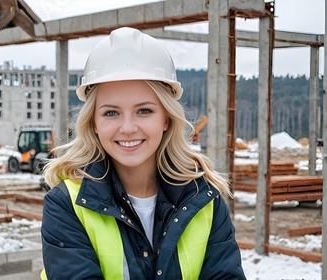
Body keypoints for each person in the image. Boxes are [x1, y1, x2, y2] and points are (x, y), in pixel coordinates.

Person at [40, 27, 246, 280]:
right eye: (111, 113)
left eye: (144, 111)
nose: (127, 128)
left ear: (166, 119)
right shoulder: (66, 205)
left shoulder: (205, 200)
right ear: (94, 122)